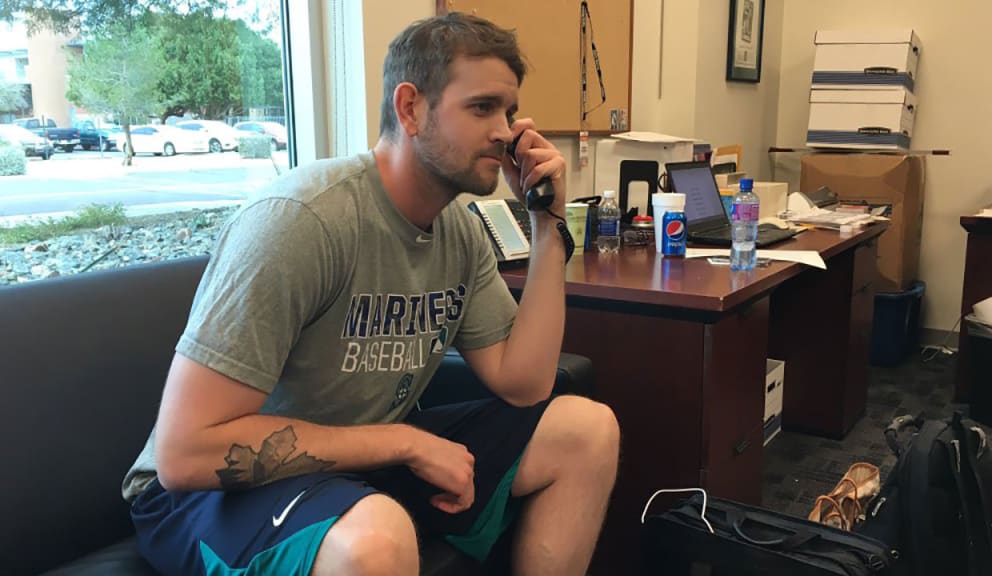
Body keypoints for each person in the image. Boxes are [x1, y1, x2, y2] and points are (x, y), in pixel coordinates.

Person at [122, 12, 620, 576]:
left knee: (585, 430)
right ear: (410, 108)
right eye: (482, 108)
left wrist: (547, 223)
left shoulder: (458, 229)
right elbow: (184, 455)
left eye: (508, 111)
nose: (506, 131)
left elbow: (525, 384)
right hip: (208, 493)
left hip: (351, 468)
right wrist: (403, 443)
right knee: (376, 539)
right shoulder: (301, 220)